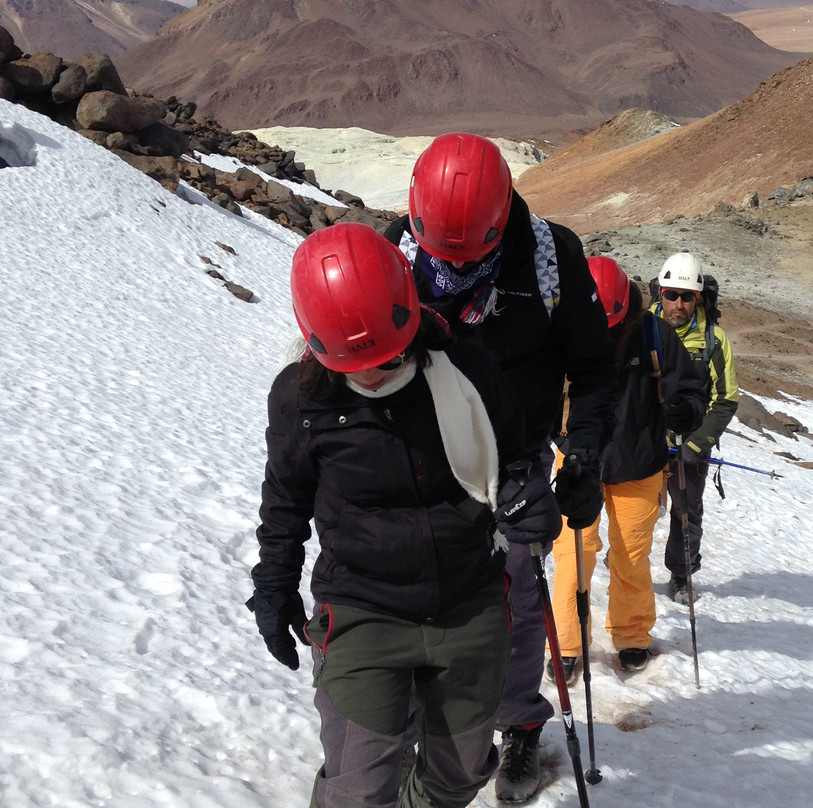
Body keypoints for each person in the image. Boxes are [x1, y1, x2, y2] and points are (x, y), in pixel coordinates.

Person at [249, 223, 563, 808]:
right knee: (359, 788)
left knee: (459, 777)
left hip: (468, 601)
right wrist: (273, 582)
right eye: (354, 362)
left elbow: (516, 452)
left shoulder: (464, 364)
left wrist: (529, 498)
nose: (372, 373)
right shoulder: (300, 400)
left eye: (388, 357)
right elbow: (286, 499)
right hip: (363, 608)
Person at [383, 132, 618, 804]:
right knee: (413, 588)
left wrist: (586, 450)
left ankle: (516, 721)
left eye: (468, 256)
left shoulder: (550, 259)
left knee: (513, 597)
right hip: (422, 452)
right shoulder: (398, 250)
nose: (448, 267)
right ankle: (408, 725)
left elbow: (595, 367)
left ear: (500, 218)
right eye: (438, 253)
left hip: (514, 456)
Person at [549, 256, 706, 679]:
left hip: (639, 466)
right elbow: (539, 388)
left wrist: (683, 410)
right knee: (572, 556)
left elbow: (692, 391)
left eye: (613, 326)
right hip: (579, 463)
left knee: (631, 557)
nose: (606, 335)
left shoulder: (655, 336)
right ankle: (567, 643)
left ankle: (632, 636)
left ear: (628, 313)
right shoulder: (564, 331)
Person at [652, 252, 739, 605]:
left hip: (690, 447)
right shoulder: (642, 329)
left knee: (686, 512)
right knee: (636, 510)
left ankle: (681, 574)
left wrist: (699, 443)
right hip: (646, 442)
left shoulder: (714, 341)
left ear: (698, 298)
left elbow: (726, 399)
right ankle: (626, 568)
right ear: (660, 293)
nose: (678, 304)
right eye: (671, 294)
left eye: (686, 296)